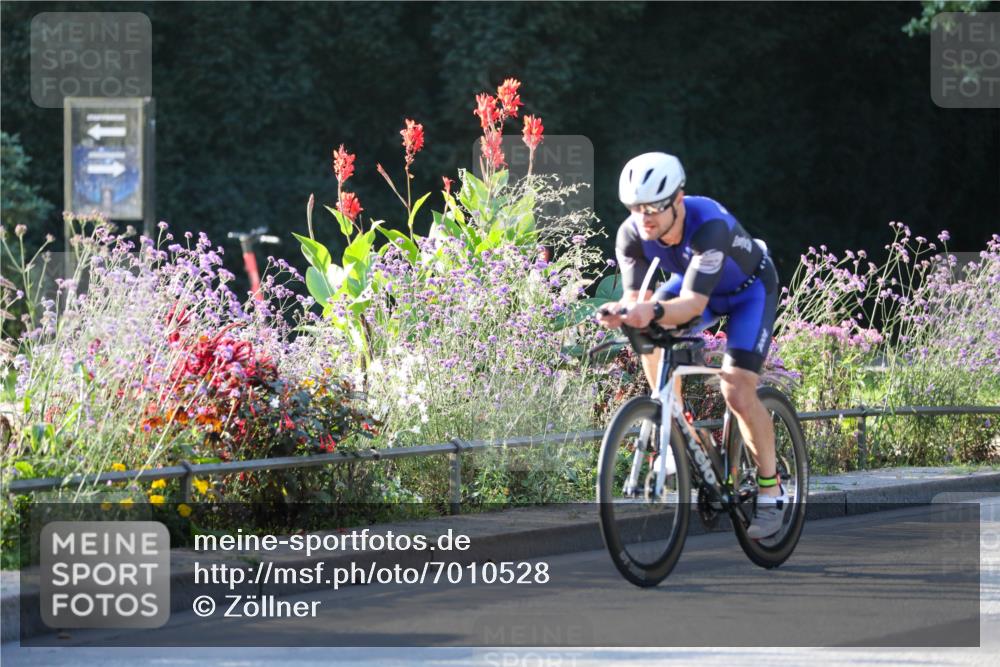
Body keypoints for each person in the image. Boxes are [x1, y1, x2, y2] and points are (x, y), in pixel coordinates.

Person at [597, 152, 784, 539]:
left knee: (736, 389)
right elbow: (638, 300)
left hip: (748, 293)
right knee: (647, 333)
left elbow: (695, 305)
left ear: (677, 201)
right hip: (694, 288)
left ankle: (771, 490)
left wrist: (649, 310)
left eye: (653, 208)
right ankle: (676, 426)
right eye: (635, 208)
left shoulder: (708, 225)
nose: (643, 217)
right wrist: (624, 312)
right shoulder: (631, 234)